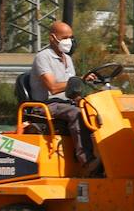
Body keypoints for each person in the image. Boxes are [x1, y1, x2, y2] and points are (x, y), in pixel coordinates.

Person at [29, 21, 99, 171]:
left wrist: (86, 100)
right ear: (52, 38)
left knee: (93, 110)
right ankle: (86, 160)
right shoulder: (43, 57)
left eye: (70, 37)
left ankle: (101, 153)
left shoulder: (68, 59)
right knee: (77, 113)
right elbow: (53, 87)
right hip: (46, 105)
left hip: (65, 103)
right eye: (65, 38)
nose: (69, 41)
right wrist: (80, 79)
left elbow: (72, 90)